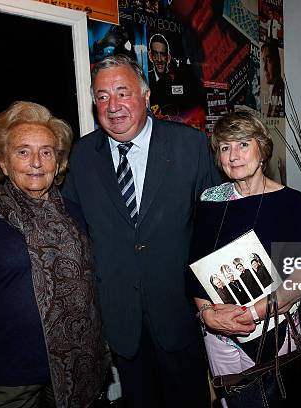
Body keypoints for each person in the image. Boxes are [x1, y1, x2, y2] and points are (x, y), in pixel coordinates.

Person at [62, 54, 220, 408]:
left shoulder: (190, 146)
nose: (113, 106)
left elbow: (216, 225)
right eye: (102, 97)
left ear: (146, 95)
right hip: (120, 321)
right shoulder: (81, 158)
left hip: (181, 314)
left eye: (122, 92)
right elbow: (73, 234)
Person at [0, 101, 109, 406]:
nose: (36, 162)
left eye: (46, 152)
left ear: (57, 163)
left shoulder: (73, 213)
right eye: (23, 151)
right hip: (5, 380)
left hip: (78, 372)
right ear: (3, 163)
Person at [188, 111, 301, 407]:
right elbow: (195, 269)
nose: (233, 155)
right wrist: (207, 314)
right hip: (220, 333)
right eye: (225, 147)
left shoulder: (292, 204)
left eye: (243, 145)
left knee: (277, 399)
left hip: (275, 327)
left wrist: (251, 314)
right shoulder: (209, 201)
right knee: (233, 401)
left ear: (261, 149)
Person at [262, 40, 285, 117]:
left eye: (269, 60)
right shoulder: (274, 88)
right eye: (263, 61)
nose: (264, 68)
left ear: (277, 62)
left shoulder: (279, 89)